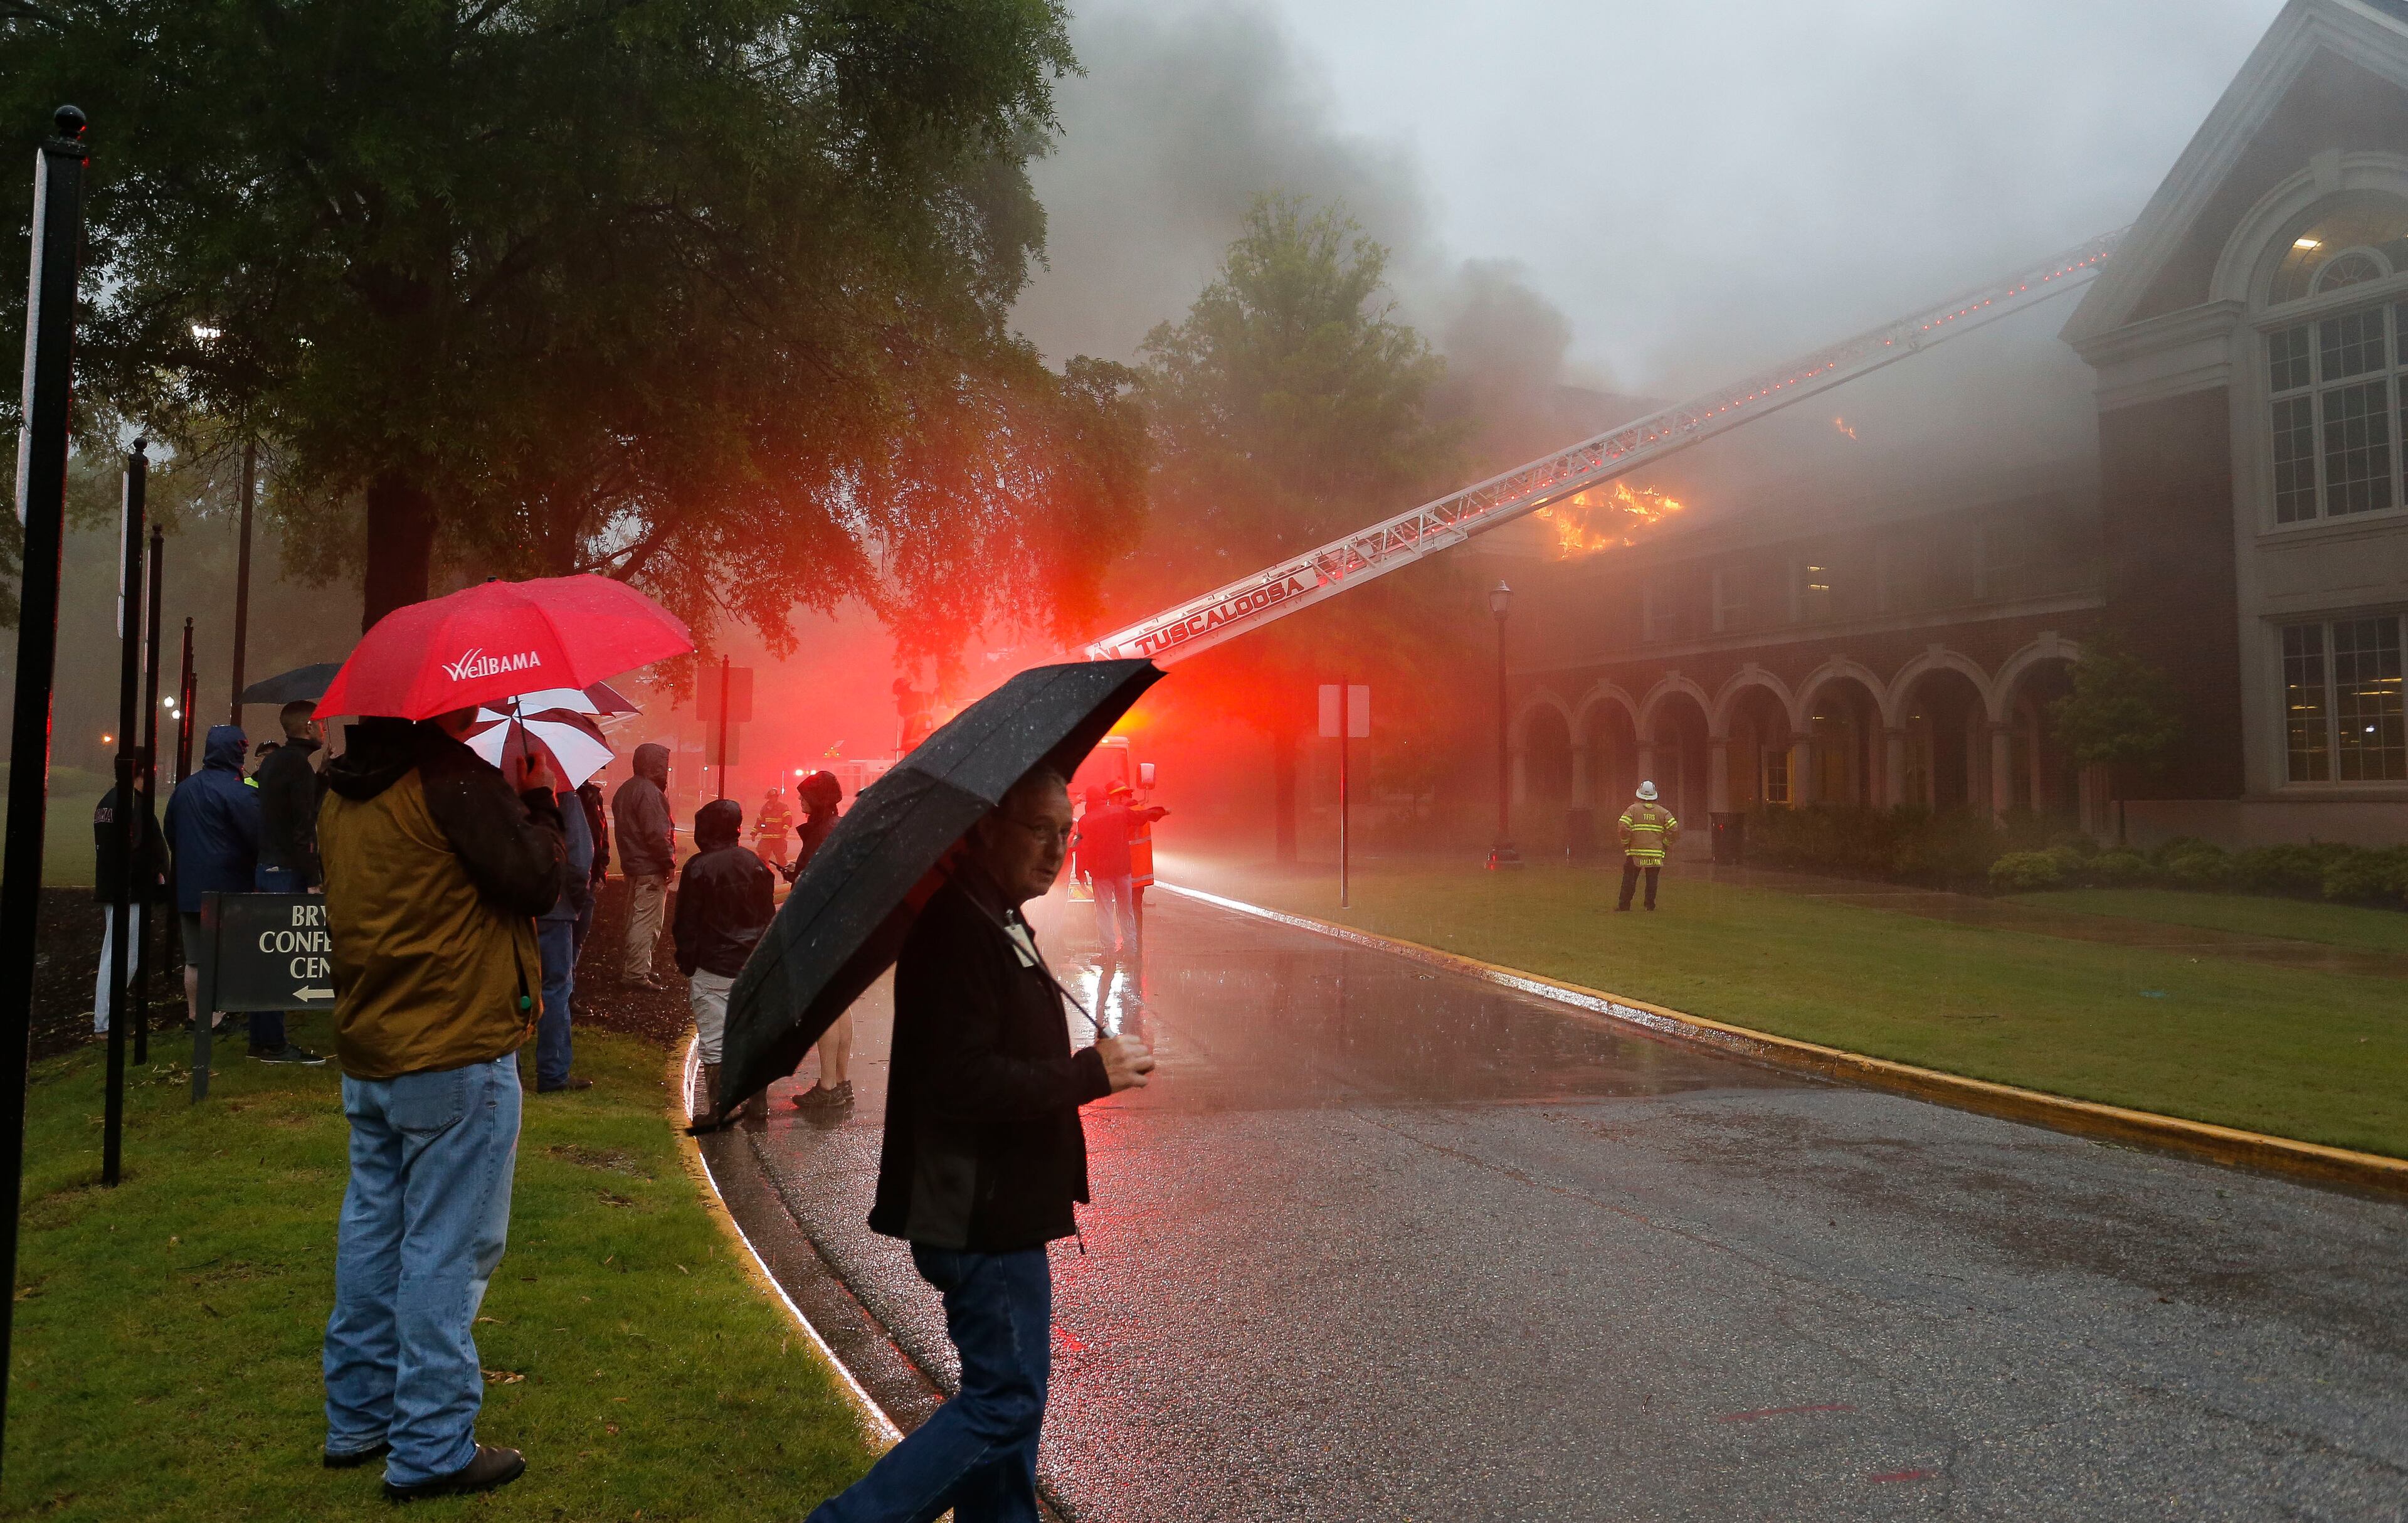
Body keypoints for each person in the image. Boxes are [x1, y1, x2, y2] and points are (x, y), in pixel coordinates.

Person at [805, 767, 1153, 1523]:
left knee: (1010, 1414)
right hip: (977, 1211)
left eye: (1068, 831)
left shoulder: (991, 913)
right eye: (1039, 829)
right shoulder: (960, 928)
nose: (1057, 847)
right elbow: (961, 1082)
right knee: (1004, 1402)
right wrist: (1087, 1074)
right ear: (987, 827)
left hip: (1005, 1204)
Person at [315, 709, 565, 1501]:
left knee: (373, 1236)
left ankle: (357, 1416)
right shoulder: (452, 781)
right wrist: (543, 799)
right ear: (438, 705)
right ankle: (430, 1445)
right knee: (447, 1250)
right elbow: (538, 880)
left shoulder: (341, 794)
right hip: (455, 1047)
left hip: (374, 1046)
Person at [166, 724, 319, 1063]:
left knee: (195, 958)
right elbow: (260, 839)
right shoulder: (238, 792)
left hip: (190, 888)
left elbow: (170, 830)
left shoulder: (185, 788)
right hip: (231, 889)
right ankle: (230, 1019)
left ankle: (200, 1020)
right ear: (237, 752)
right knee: (242, 957)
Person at [673, 799, 774, 1127]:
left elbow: (686, 922)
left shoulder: (698, 867)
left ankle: (719, 1108)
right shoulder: (756, 864)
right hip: (753, 964)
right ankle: (758, 1103)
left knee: (715, 1038)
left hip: (713, 966)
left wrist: (687, 960)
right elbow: (766, 916)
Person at [783, 770, 853, 1110]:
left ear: (818, 798)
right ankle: (840, 1081)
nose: (799, 801)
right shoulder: (840, 827)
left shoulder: (822, 833)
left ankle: (826, 1088)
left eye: (804, 796)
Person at [91, 772, 168, 1036]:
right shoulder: (133, 806)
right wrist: (156, 875)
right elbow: (137, 851)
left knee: (115, 954)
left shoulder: (107, 801)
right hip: (131, 890)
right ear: (143, 773)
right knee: (123, 956)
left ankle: (105, 1019)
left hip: (113, 886)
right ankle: (105, 1022)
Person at [532, 775, 596, 1094]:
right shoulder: (566, 795)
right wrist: (578, 898)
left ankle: (510, 1068)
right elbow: (581, 854)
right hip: (556, 908)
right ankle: (553, 1072)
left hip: (514, 906)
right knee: (556, 987)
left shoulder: (495, 788)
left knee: (514, 985)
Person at [610, 743, 675, 990]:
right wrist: (668, 862)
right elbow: (658, 833)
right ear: (654, 765)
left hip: (633, 865)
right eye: (663, 765)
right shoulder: (649, 792)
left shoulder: (626, 789)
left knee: (635, 919)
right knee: (646, 923)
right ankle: (636, 974)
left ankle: (636, 966)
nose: (666, 770)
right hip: (650, 868)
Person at [254, 700, 327, 892]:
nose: (325, 730)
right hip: (290, 871)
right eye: (321, 724)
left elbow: (285, 806)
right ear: (309, 727)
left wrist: (320, 775)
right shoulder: (298, 765)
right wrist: (313, 878)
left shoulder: (273, 761)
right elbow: (304, 823)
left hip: (267, 865)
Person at [1071, 783, 1140, 967]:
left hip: (1101, 873)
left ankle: (1109, 954)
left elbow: (1080, 847)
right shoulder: (1118, 812)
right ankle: (1131, 950)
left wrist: (1080, 872)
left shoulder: (1086, 820)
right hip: (1123, 870)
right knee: (1126, 909)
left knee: (1104, 912)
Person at [1615, 780, 1680, 912]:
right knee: (1652, 881)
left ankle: (1624, 906)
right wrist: (1665, 844)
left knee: (1630, 880)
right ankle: (1649, 906)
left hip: (1635, 853)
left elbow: (1623, 826)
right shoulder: (1663, 812)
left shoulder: (1632, 810)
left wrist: (1626, 842)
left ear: (1639, 794)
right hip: (1655, 853)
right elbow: (1674, 829)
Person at [573, 779, 609, 957]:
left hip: (589, 877)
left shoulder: (593, 796)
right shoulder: (568, 797)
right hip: (571, 879)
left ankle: (570, 978)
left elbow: (601, 834)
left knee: (578, 938)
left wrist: (601, 870)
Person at [752, 784, 793, 871]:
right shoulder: (765, 808)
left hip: (778, 838)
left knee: (780, 858)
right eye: (770, 797)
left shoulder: (783, 807)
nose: (772, 799)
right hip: (766, 838)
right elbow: (759, 821)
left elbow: (788, 819)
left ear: (777, 797)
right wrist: (754, 833)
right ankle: (764, 875)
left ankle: (786, 876)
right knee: (762, 857)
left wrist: (784, 830)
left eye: (774, 797)